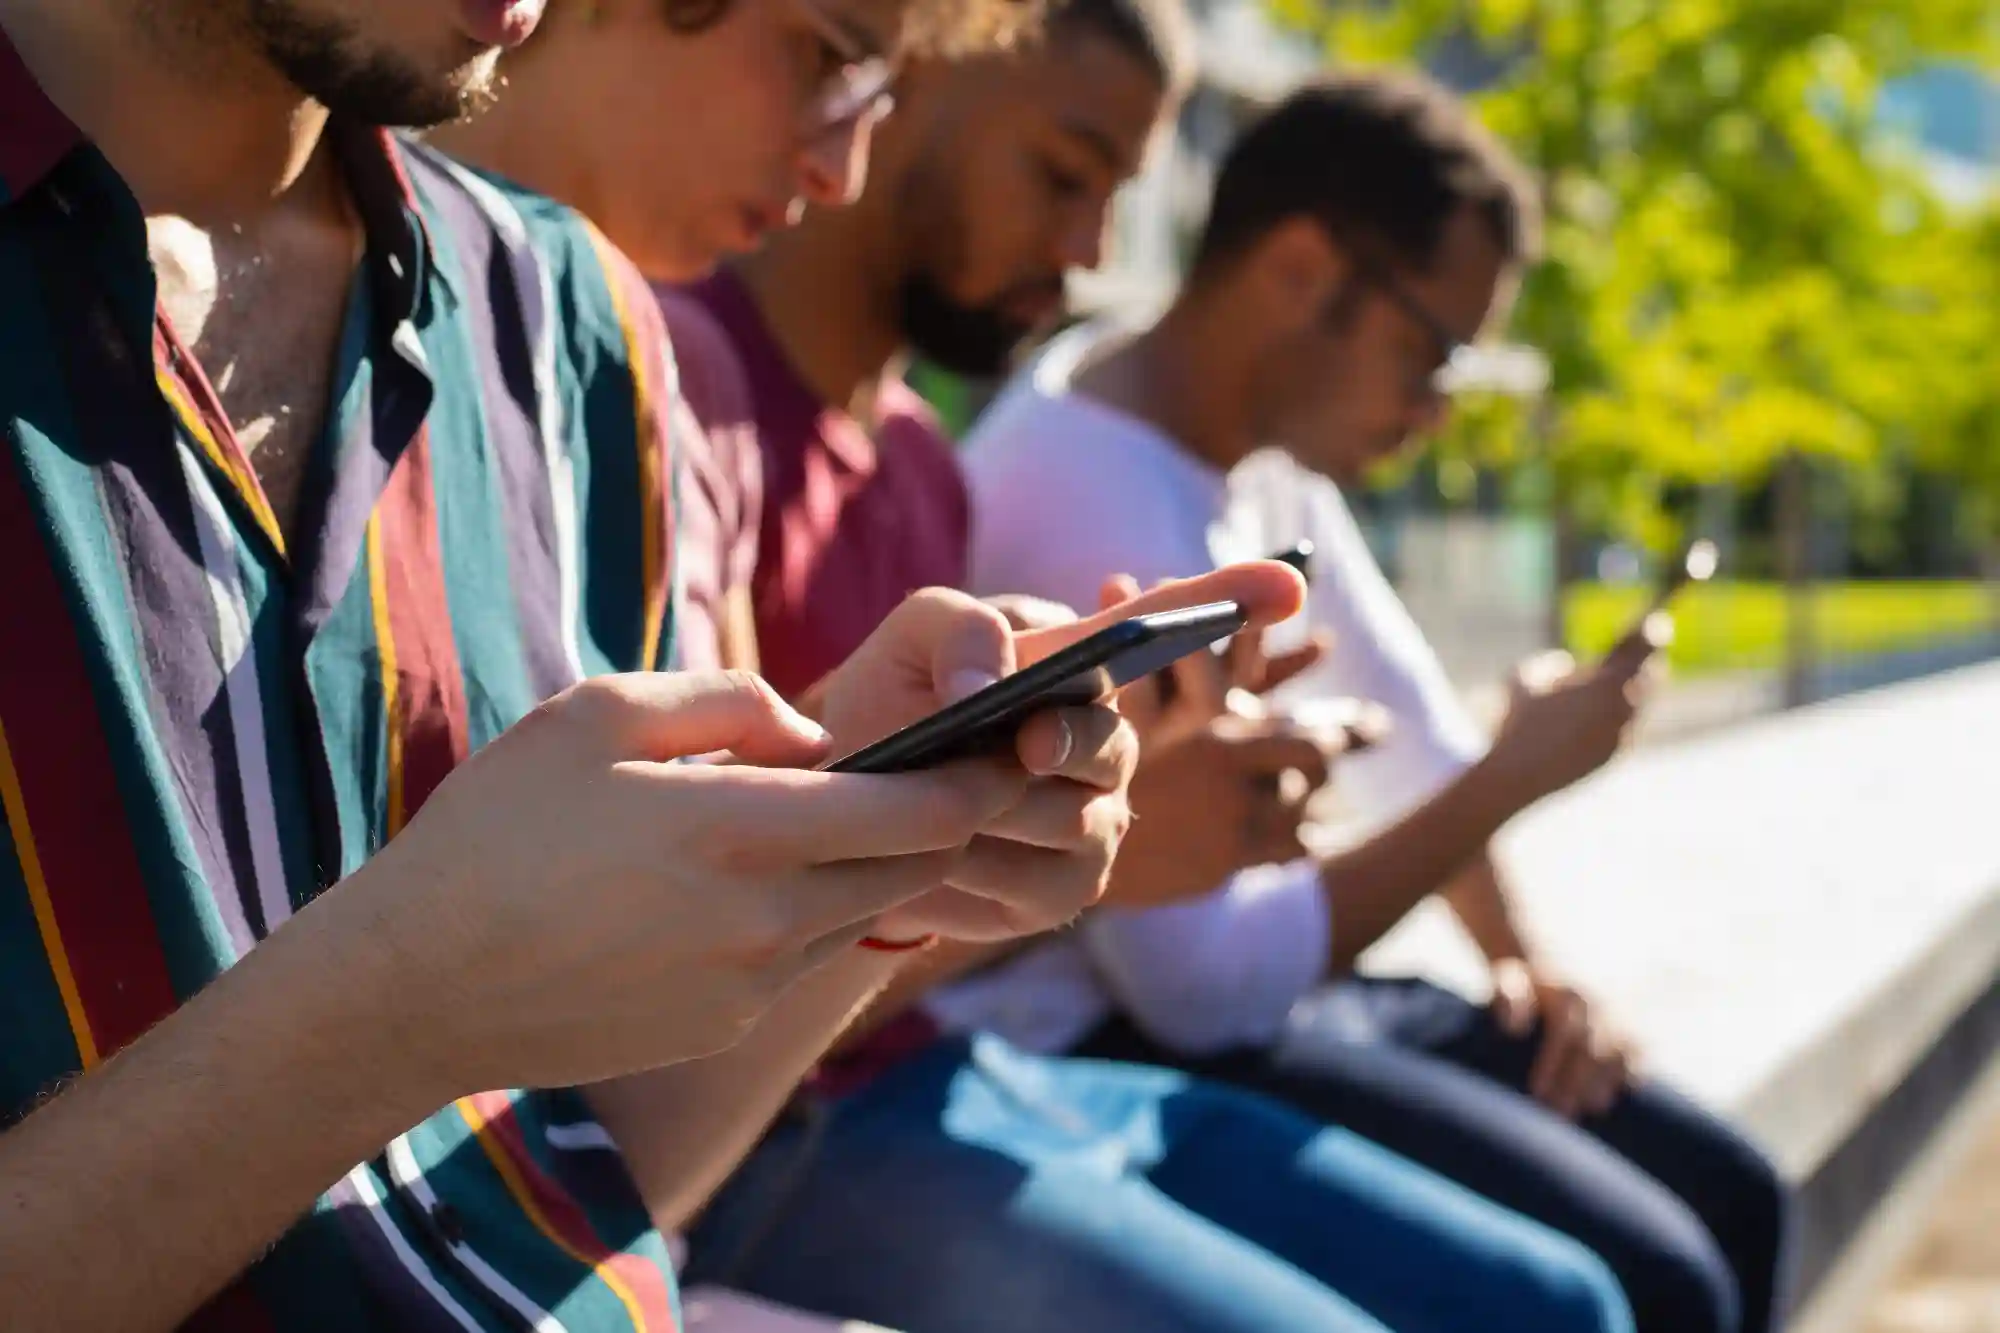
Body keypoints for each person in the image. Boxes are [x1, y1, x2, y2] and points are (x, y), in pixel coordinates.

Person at [0, 0, 1309, 1325]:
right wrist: (403, 997)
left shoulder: (566, 313)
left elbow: (587, 1165)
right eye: (829, 55)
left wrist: (876, 848)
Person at [643, 7, 1641, 1332]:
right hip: (781, 1142)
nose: (1092, 253)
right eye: (1064, 176)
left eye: (1112, 195)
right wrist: (1070, 869)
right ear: (915, 74)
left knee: (1567, 1299)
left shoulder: (922, 469)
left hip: (951, 1067)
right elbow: (677, 996)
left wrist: (1098, 812)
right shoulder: (670, 390)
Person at [962, 72, 1794, 1333]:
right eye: (1431, 348)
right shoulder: (1086, 497)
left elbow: (1412, 734)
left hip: (1265, 1002)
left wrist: (1527, 970)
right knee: (1647, 1283)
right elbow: (1196, 984)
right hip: (1103, 1044)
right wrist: (1514, 775)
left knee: (1734, 1192)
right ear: (1300, 269)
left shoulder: (1244, 450)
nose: (1433, 409)